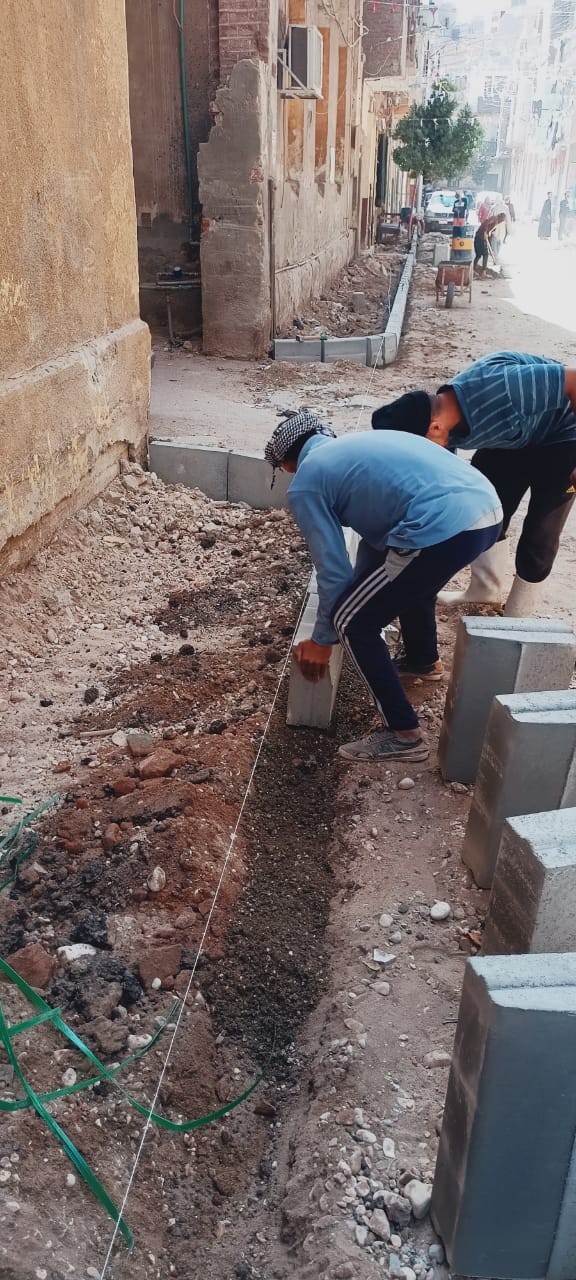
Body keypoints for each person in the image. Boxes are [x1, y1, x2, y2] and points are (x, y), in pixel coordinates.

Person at [264, 413, 502, 764]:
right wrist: (362, 593)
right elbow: (373, 553)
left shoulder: (307, 482)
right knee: (408, 582)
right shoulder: (354, 450)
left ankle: (403, 735)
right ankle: (423, 662)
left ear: (287, 464)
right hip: (486, 513)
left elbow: (333, 571)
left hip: (442, 526)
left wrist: (322, 640)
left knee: (351, 621)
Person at [372, 352, 576, 615]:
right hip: (514, 435)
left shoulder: (501, 387)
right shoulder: (438, 420)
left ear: (435, 430)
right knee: (484, 509)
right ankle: (485, 589)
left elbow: (574, 380)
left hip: (565, 435)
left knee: (541, 532)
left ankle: (519, 613)